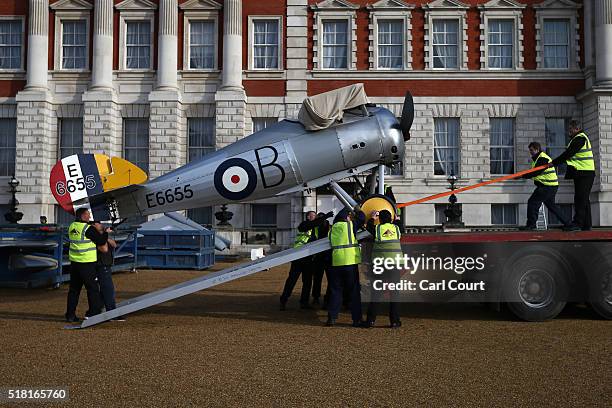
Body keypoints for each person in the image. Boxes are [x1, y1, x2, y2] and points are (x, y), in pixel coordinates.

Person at [280, 210, 333, 310]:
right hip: (298, 257)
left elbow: (321, 229)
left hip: (308, 259)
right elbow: (313, 224)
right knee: (292, 280)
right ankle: (283, 300)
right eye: (314, 216)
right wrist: (325, 216)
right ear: (308, 217)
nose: (316, 217)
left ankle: (304, 302)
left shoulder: (315, 228)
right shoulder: (304, 225)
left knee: (308, 282)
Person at [551, 120, 596, 231]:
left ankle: (578, 224)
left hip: (584, 173)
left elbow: (568, 154)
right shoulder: (578, 139)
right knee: (584, 199)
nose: (568, 131)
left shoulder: (580, 138)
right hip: (583, 173)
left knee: (580, 199)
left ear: (577, 129)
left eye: (570, 129)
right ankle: (586, 224)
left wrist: (553, 163)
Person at [65, 208, 107, 323]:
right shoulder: (88, 229)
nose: (89, 217)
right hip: (87, 264)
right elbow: (102, 241)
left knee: (74, 290)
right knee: (92, 289)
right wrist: (106, 232)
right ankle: (93, 313)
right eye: (88, 215)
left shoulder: (72, 226)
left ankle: (70, 315)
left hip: (74, 263)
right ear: (83, 216)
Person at [326, 207, 365, 327]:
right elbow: (362, 218)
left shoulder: (332, 229)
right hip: (349, 262)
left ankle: (332, 318)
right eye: (349, 216)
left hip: (336, 262)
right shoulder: (349, 226)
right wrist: (358, 209)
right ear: (346, 217)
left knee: (335, 291)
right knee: (353, 291)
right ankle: (356, 319)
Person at [364, 210, 402, 328]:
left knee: (376, 293)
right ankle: (394, 321)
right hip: (395, 264)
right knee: (394, 293)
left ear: (379, 219)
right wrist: (397, 220)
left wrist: (372, 217)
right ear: (391, 219)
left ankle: (370, 321)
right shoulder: (396, 229)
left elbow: (368, 227)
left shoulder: (378, 229)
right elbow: (402, 229)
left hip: (380, 265)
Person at [521, 142, 570, 230]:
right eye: (530, 150)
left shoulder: (542, 158)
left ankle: (531, 225)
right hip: (551, 186)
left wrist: (522, 176)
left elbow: (536, 172)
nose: (530, 152)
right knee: (551, 206)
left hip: (547, 186)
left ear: (537, 149)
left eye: (531, 150)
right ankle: (568, 223)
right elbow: (536, 173)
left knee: (533, 202)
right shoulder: (538, 158)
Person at [93, 222, 125, 321]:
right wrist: (104, 235)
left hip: (105, 265)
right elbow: (104, 249)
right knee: (108, 290)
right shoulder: (95, 237)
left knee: (104, 291)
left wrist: (105, 236)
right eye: (98, 223)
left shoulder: (101, 237)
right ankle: (111, 313)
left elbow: (114, 245)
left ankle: (96, 311)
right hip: (101, 266)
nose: (101, 225)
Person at [310, 212, 331, 306]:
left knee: (317, 280)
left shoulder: (316, 227)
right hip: (325, 256)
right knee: (327, 280)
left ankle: (316, 298)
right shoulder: (329, 226)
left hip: (320, 256)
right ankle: (325, 299)